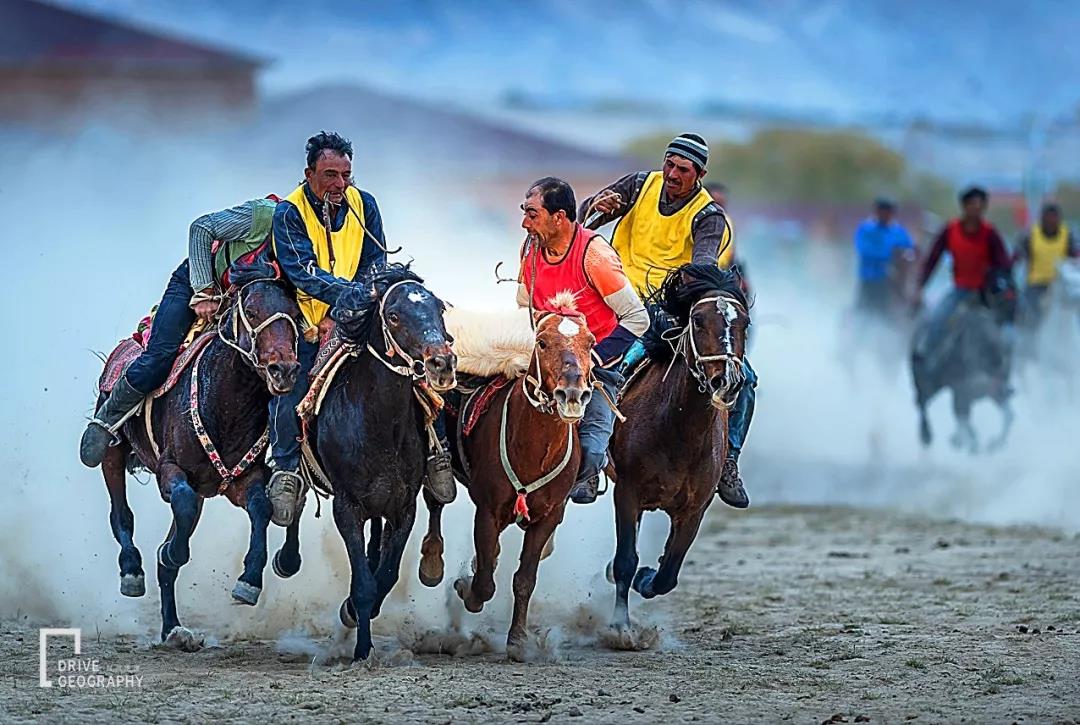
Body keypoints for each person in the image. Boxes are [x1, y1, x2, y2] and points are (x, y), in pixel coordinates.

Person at [267, 131, 450, 526]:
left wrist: (356, 303)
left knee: (412, 368)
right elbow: (303, 273)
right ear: (309, 173)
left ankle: (436, 450)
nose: (339, 184)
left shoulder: (364, 205)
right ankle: (286, 470)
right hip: (308, 319)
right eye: (330, 174)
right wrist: (345, 300)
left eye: (345, 174)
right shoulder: (288, 213)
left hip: (358, 313)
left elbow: (376, 261)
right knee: (291, 386)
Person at [578, 134, 753, 509]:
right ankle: (585, 463)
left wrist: (670, 301)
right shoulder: (641, 183)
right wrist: (595, 206)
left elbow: (703, 271)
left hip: (669, 307)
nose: (672, 174)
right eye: (669, 164)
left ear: (700, 174)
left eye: (682, 169)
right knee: (588, 364)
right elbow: (585, 218)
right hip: (615, 296)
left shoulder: (709, 218)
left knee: (746, 378)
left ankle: (728, 461)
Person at [79, 197, 281, 468]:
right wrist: (204, 290)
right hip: (197, 284)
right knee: (160, 357)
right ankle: (109, 420)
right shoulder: (264, 215)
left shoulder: (323, 236)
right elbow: (201, 229)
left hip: (251, 308)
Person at [518, 177, 649, 504]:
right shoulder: (530, 248)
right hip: (544, 361)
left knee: (590, 451)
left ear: (558, 217)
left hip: (592, 369)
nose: (524, 223)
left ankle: (588, 472)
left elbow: (638, 318)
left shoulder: (595, 256)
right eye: (525, 213)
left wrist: (594, 360)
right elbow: (525, 304)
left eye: (532, 215)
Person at [914, 186, 1014, 367]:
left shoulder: (990, 233)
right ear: (964, 206)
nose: (976, 209)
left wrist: (1001, 284)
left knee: (1004, 333)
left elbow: (1004, 264)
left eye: (980, 205)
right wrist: (920, 287)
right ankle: (927, 360)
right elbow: (932, 261)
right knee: (937, 319)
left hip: (984, 294)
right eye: (972, 204)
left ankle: (1001, 378)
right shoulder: (950, 230)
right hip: (960, 290)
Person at [1013, 202, 1079, 327]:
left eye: (1054, 217)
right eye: (1048, 217)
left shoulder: (1068, 234)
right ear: (1042, 218)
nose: (1051, 221)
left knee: (1068, 314)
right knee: (1031, 315)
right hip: (1035, 284)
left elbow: (1076, 254)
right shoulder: (1030, 235)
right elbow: (1017, 255)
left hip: (1060, 285)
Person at [853, 197, 915, 316]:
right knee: (862, 312)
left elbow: (909, 251)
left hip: (890, 282)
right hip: (869, 279)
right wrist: (890, 254)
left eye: (888, 211)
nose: (884, 214)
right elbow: (864, 249)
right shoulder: (866, 229)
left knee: (886, 312)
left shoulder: (899, 232)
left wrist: (906, 257)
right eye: (881, 210)